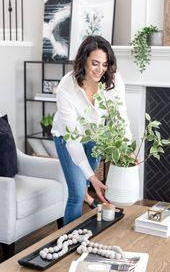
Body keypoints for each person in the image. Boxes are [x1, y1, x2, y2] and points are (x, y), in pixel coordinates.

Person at [51, 35, 132, 224]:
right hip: (67, 138)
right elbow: (73, 140)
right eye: (95, 63)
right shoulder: (67, 86)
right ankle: (70, 242)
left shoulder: (114, 81)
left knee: (85, 182)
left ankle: (87, 195)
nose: (100, 70)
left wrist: (127, 149)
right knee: (77, 194)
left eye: (104, 64)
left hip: (95, 137)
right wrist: (92, 178)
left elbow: (121, 117)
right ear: (83, 61)